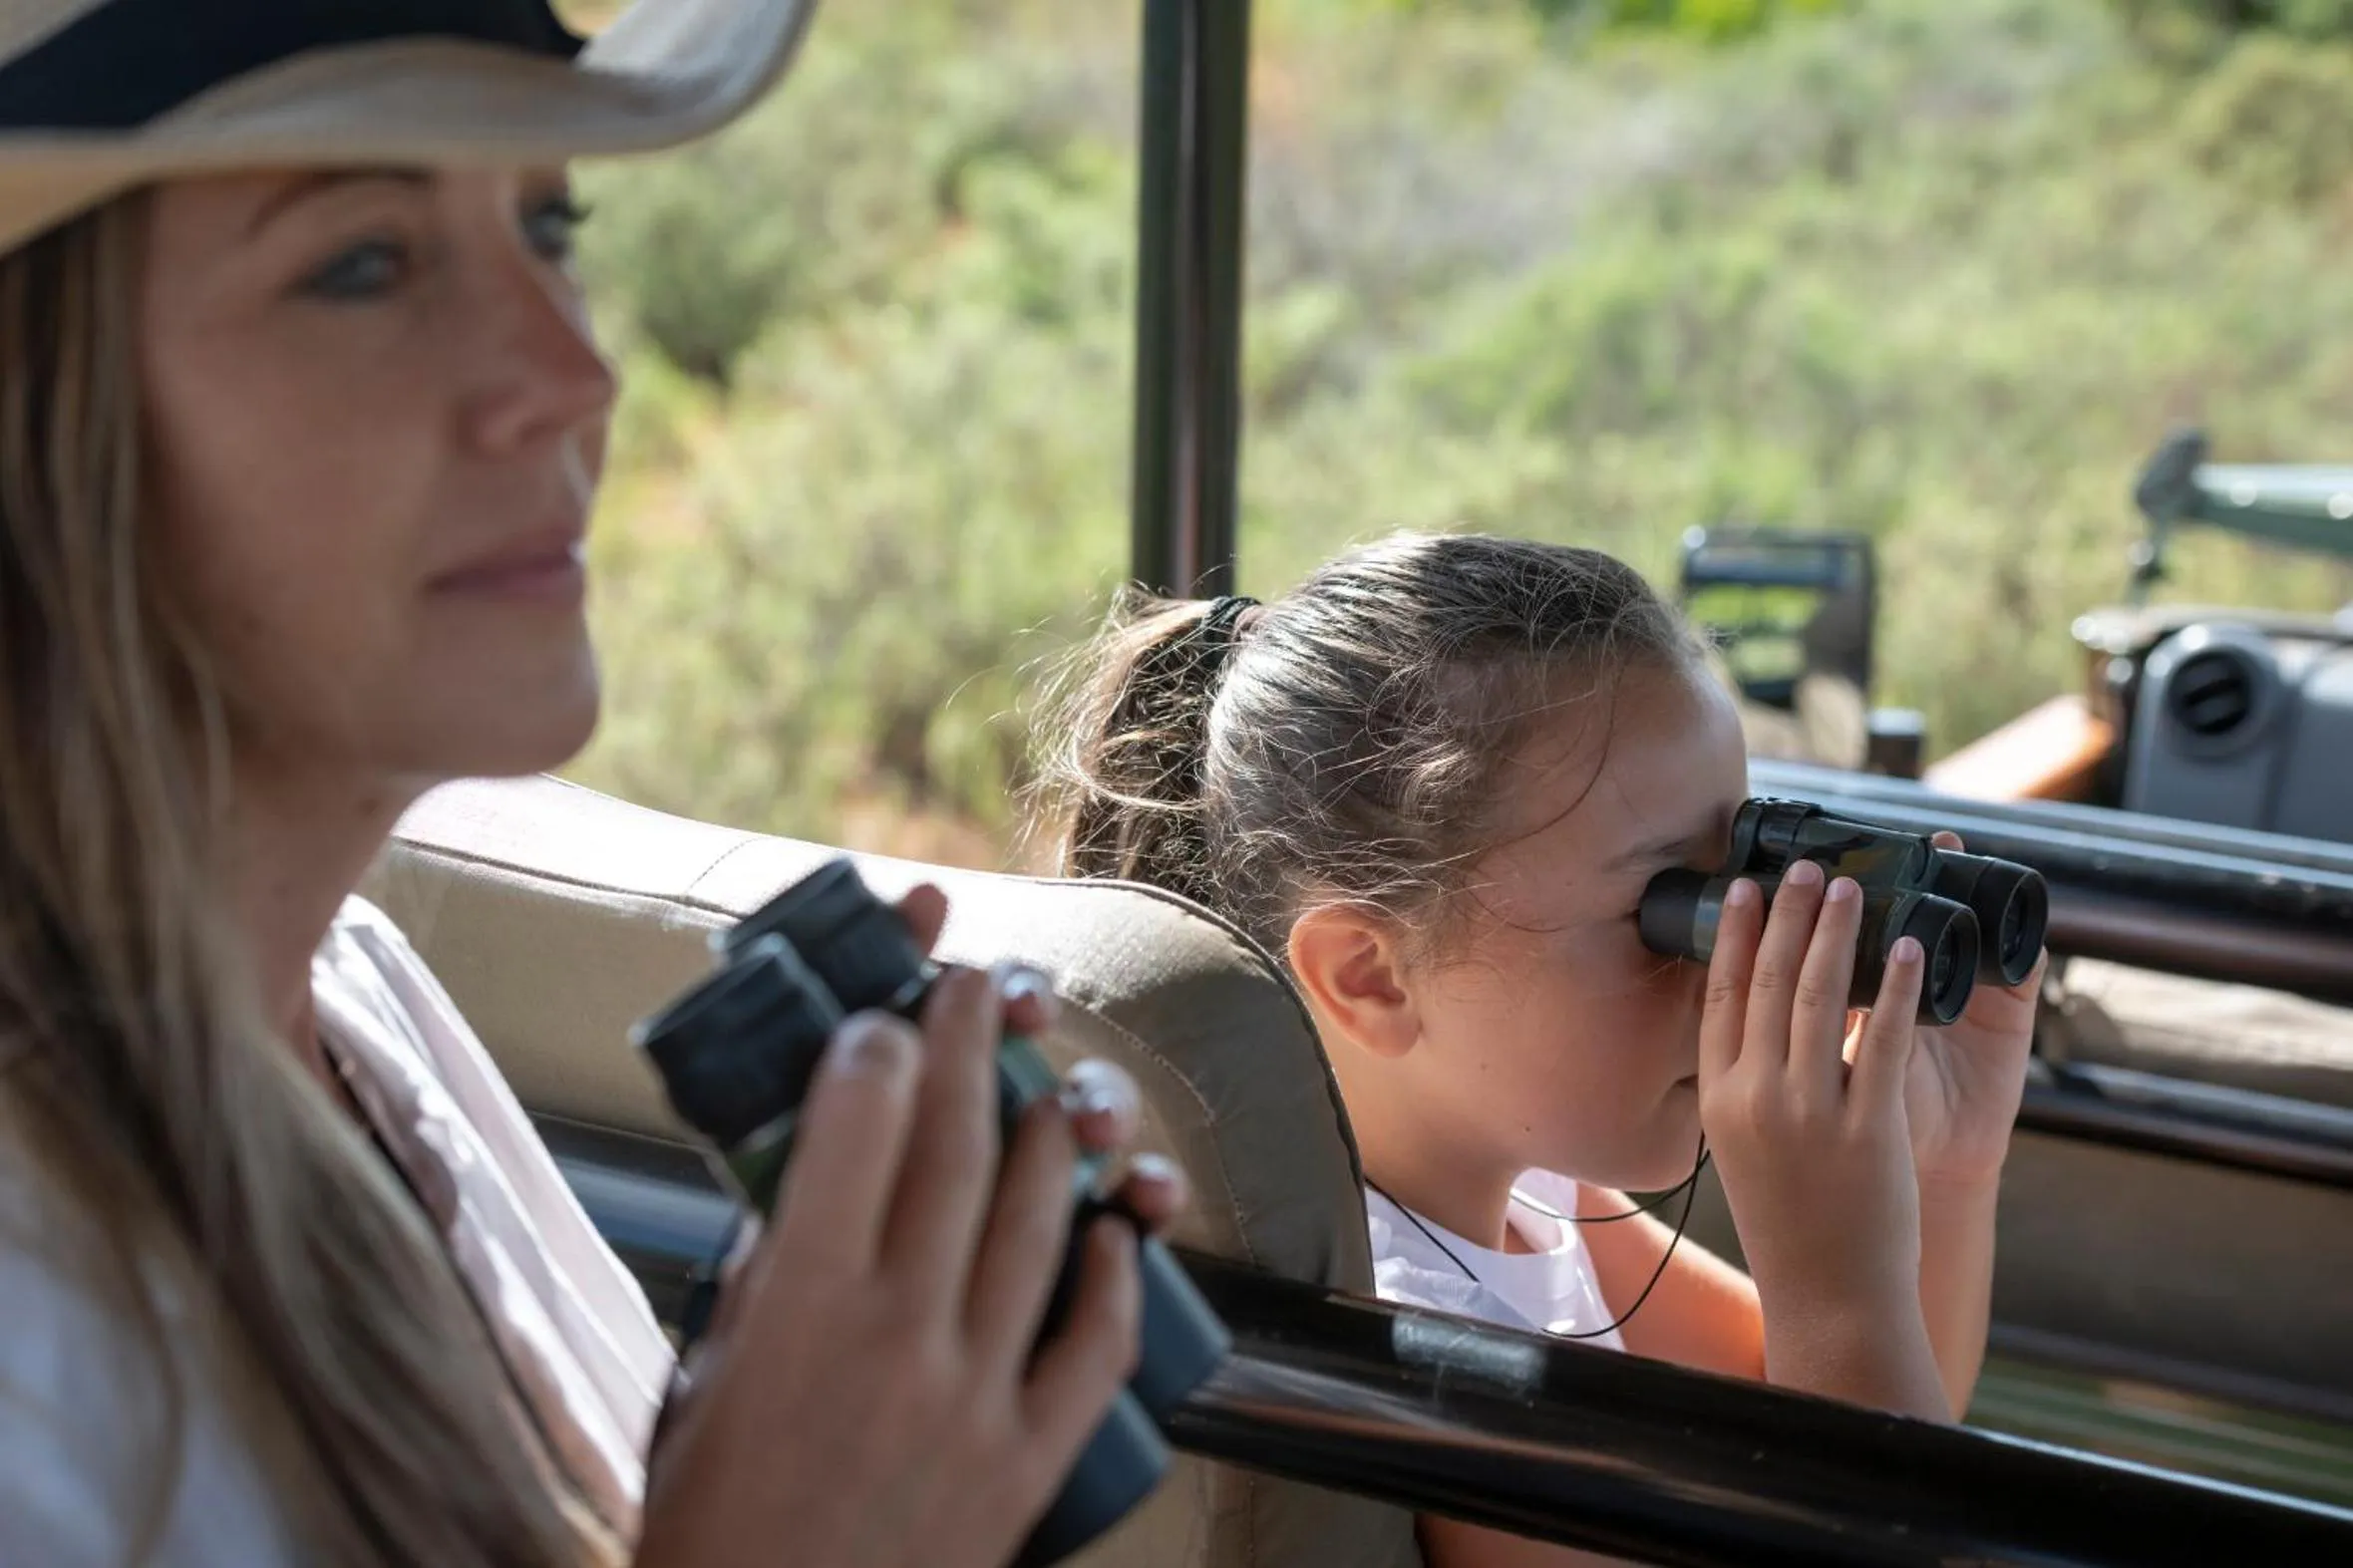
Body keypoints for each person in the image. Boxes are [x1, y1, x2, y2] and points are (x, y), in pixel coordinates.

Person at [0, 3, 1188, 1565]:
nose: (573, 374)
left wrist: (843, 1403)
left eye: (547, 226)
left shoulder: (348, 1003)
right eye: (362, 265)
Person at [1037, 531, 2045, 1568]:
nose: (1728, 967)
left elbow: (1862, 1405)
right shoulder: (1411, 1349)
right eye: (1674, 909)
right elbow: (1884, 1478)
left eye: (1742, 870)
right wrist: (1834, 1282)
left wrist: (1946, 1170)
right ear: (1371, 976)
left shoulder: (1531, 1203)